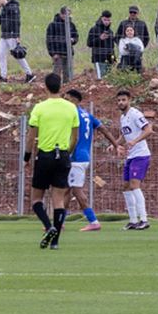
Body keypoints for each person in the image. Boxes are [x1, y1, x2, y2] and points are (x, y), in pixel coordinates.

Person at [25, 73, 79, 249]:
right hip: (62, 156)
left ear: (45, 87)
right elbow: (75, 138)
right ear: (61, 86)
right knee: (58, 200)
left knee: (36, 200)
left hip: (45, 156)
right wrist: (67, 154)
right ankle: (55, 242)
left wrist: (26, 157)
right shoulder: (71, 108)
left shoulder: (39, 108)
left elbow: (31, 137)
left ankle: (49, 227)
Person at [62, 87, 106, 232]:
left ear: (74, 100)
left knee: (76, 190)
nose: (65, 101)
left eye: (67, 99)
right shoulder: (87, 115)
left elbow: (74, 137)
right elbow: (102, 128)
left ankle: (93, 221)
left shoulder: (73, 114)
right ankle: (59, 222)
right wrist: (115, 144)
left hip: (76, 157)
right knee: (67, 190)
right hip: (83, 156)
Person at [115, 89, 153, 229]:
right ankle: (133, 220)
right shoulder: (123, 117)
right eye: (119, 100)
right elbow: (124, 135)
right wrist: (115, 144)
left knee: (134, 185)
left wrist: (135, 141)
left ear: (129, 100)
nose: (121, 102)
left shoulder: (135, 114)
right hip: (131, 155)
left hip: (141, 155)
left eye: (123, 100)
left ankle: (143, 219)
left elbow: (148, 129)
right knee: (125, 186)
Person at [0, 0, 34, 83]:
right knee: (0, 55)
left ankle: (29, 74)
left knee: (17, 54)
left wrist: (17, 35)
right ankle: (3, 76)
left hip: (12, 35)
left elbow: (17, 22)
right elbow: (0, 22)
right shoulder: (4, 8)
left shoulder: (13, 7)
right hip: (4, 35)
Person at [42, 6, 78, 80]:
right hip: (57, 54)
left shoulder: (71, 25)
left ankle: (67, 87)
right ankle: (55, 87)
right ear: (61, 14)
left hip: (68, 54)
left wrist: (73, 40)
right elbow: (49, 41)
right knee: (56, 73)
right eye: (65, 14)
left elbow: (76, 36)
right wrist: (53, 53)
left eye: (69, 14)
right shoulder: (52, 25)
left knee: (68, 73)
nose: (67, 16)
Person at [87, 10, 116, 79]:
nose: (106, 22)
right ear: (101, 19)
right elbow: (89, 43)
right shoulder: (94, 29)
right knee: (101, 78)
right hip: (98, 58)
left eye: (108, 20)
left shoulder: (110, 31)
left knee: (108, 78)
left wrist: (113, 57)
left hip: (109, 58)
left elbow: (112, 46)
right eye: (105, 20)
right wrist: (99, 39)